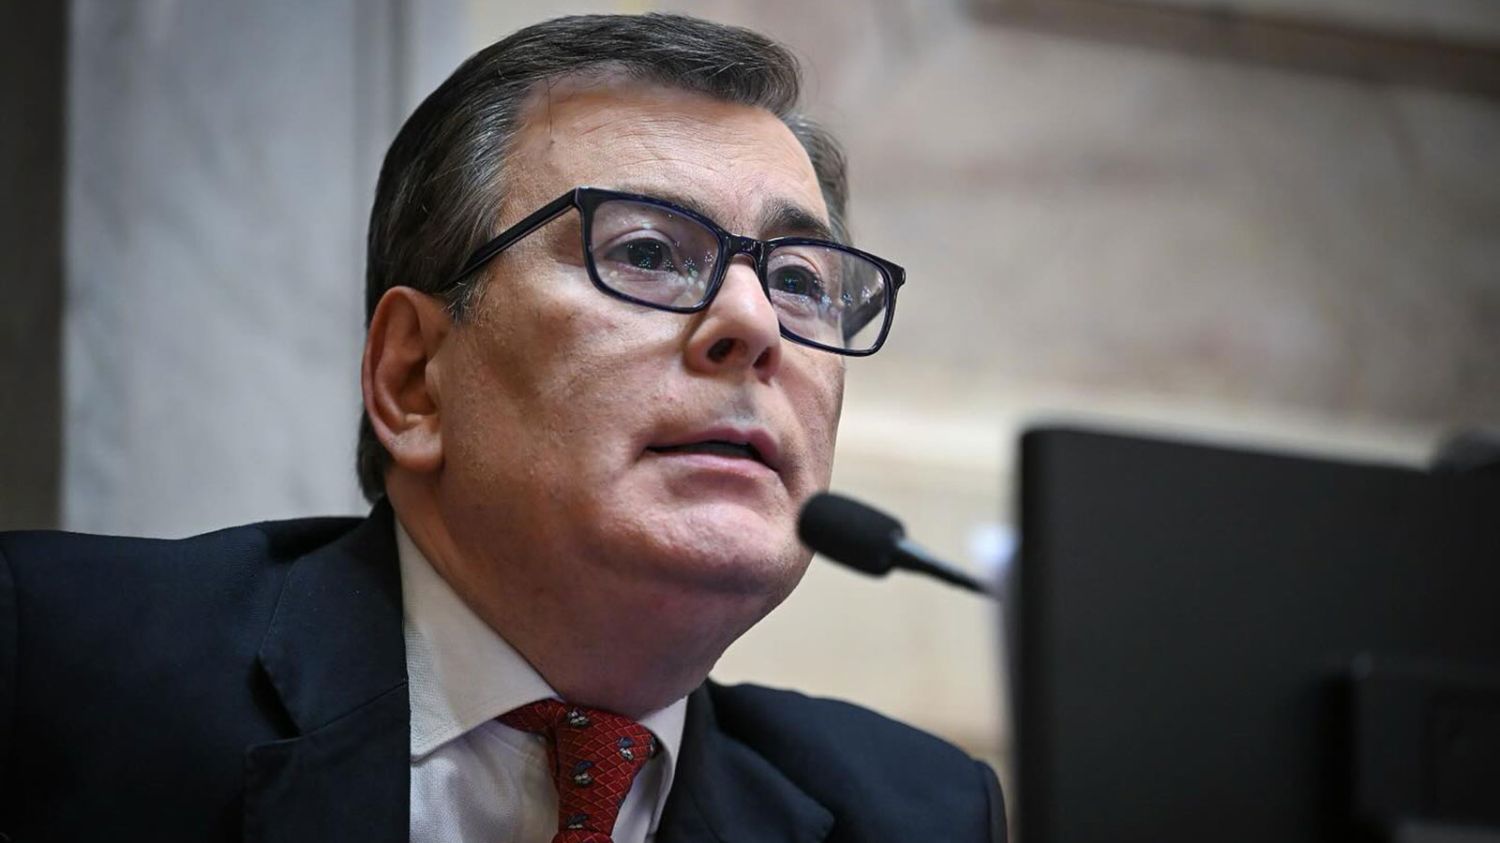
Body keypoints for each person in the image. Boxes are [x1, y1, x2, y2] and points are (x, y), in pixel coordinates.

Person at [0, 14, 1006, 842]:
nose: (754, 325)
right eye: (647, 252)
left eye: (799, 281)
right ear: (413, 379)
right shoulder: (52, 664)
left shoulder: (913, 814)